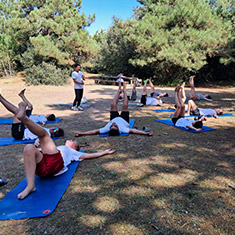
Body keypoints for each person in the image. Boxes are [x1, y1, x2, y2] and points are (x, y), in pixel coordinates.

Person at [14, 102, 115, 199]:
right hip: (42, 169)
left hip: (55, 165)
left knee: (44, 134)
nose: (70, 140)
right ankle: (31, 186)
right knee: (28, 148)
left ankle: (24, 118)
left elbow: (89, 155)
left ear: (74, 147)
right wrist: (37, 149)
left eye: (73, 141)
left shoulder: (72, 152)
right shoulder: (56, 149)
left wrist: (104, 152)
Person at [75, 81, 153, 137]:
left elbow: (94, 131)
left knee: (113, 104)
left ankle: (119, 91)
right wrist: (146, 133)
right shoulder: (123, 129)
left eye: (111, 126)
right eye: (115, 126)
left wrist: (82, 133)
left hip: (114, 118)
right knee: (125, 105)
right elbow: (134, 131)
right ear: (118, 129)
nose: (113, 124)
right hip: (124, 120)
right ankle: (125, 91)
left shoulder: (106, 129)